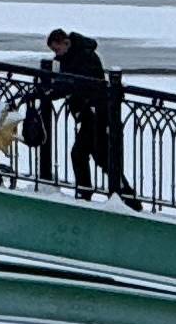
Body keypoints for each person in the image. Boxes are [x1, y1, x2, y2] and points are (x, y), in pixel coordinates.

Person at [48, 28, 140, 207]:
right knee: (99, 157)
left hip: (95, 113)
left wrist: (60, 88)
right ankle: (124, 196)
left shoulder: (86, 56)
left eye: (57, 49)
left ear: (66, 43)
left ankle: (92, 194)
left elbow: (80, 83)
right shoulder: (66, 59)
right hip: (89, 114)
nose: (56, 54)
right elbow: (65, 84)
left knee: (85, 154)